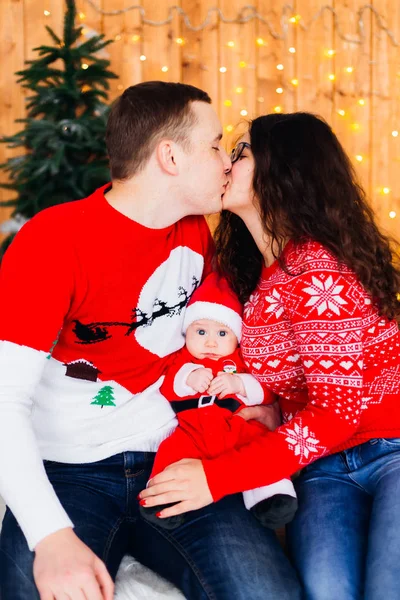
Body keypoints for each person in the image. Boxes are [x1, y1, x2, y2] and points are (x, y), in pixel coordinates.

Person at [0, 83, 302, 600]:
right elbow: (5, 397)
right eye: (213, 146)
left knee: (266, 593)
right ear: (169, 155)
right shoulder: (52, 242)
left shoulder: (194, 232)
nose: (225, 162)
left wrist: (263, 407)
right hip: (71, 471)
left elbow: (223, 339)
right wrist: (51, 536)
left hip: (177, 455)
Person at [140, 111, 400, 600]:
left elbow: (336, 412)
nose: (226, 163)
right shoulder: (256, 278)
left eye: (240, 153)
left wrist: (215, 478)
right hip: (324, 466)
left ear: (281, 171)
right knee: (326, 590)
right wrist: (268, 406)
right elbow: (298, 385)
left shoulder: (319, 269)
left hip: (391, 447)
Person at [139, 271, 297, 530]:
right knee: (171, 451)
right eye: (200, 331)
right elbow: (169, 385)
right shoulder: (184, 360)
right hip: (193, 432)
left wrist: (239, 384)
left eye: (222, 334)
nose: (210, 342)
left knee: (260, 447)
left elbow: (266, 391)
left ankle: (270, 495)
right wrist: (189, 376)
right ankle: (163, 497)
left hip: (235, 426)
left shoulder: (240, 360)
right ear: (186, 332)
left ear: (236, 337)